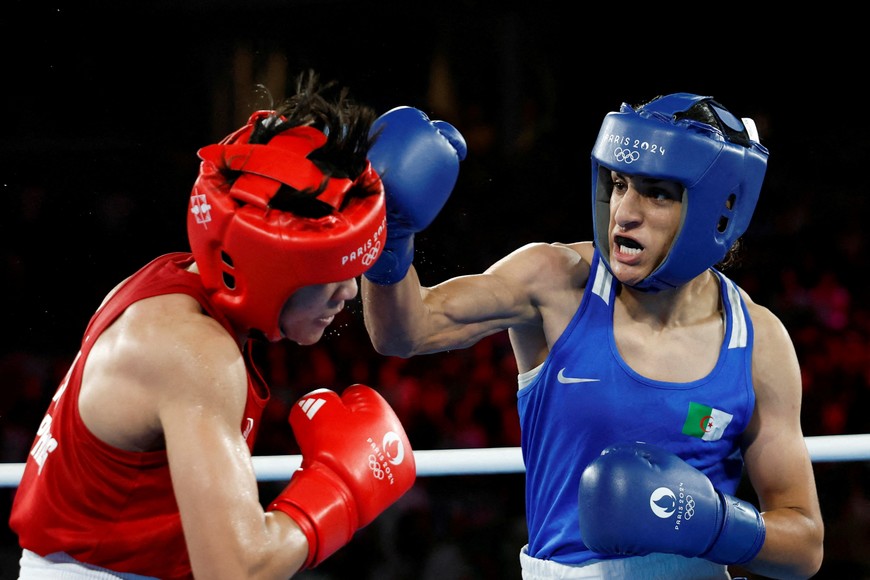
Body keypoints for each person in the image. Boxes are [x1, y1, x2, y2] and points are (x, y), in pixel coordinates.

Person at [361, 94, 824, 579]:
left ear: (720, 209)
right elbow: (405, 332)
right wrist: (387, 235)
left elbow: (805, 544)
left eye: (657, 193)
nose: (624, 212)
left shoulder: (758, 341)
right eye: (620, 184)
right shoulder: (556, 282)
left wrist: (712, 524)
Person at [7, 71, 444, 579]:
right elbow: (238, 570)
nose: (348, 294)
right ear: (268, 271)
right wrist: (339, 491)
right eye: (332, 274)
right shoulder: (191, 352)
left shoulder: (173, 287)